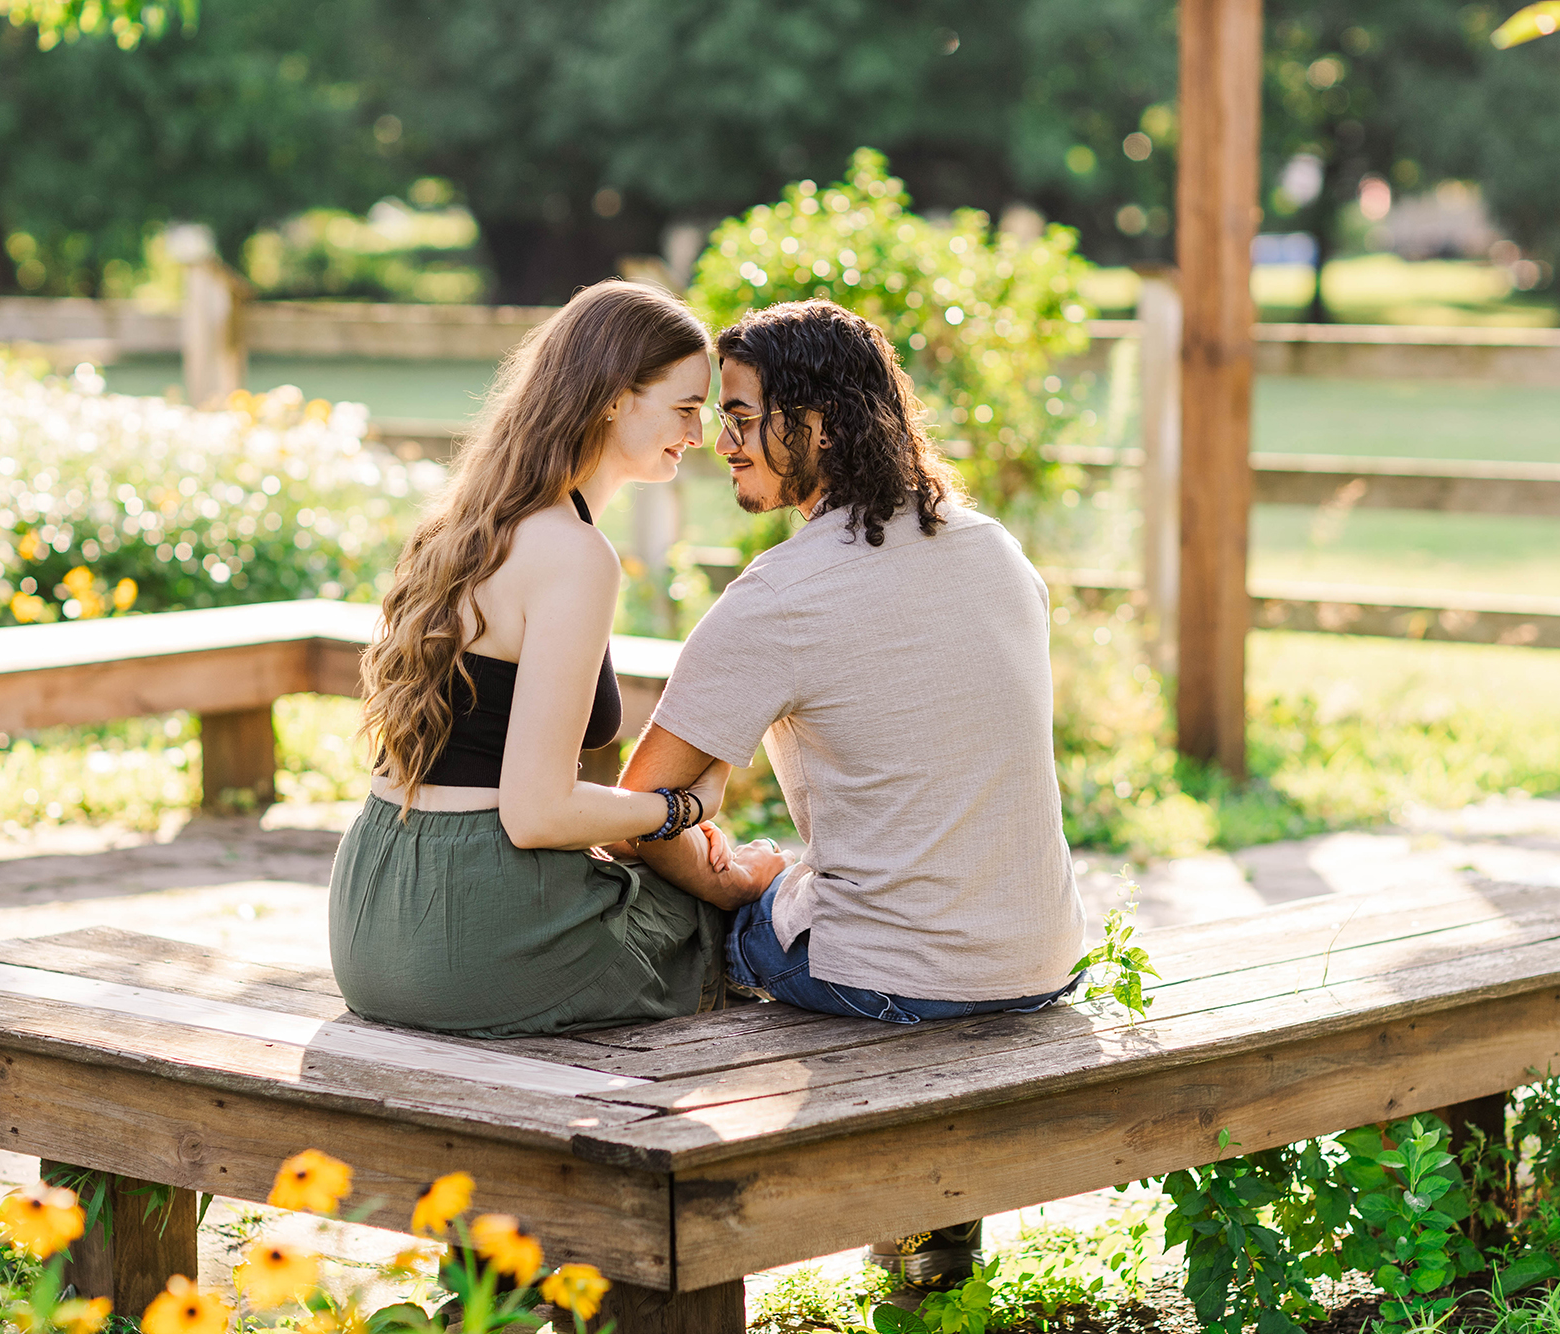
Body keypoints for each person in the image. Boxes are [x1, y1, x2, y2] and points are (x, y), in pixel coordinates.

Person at [616, 298, 1088, 1288]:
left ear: (817, 424)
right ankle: (933, 1234)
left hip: (894, 979)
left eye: (743, 417)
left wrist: (728, 884)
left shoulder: (780, 594)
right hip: (1039, 955)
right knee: (794, 870)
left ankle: (631, 1220)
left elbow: (636, 804)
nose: (723, 444)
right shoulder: (994, 548)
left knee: (661, 903)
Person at [328, 279, 780, 1039]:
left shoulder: (466, 524)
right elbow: (536, 812)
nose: (699, 434)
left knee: (675, 891)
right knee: (744, 923)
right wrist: (684, 809)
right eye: (684, 407)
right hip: (472, 930)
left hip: (370, 909)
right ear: (613, 398)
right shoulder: (574, 554)